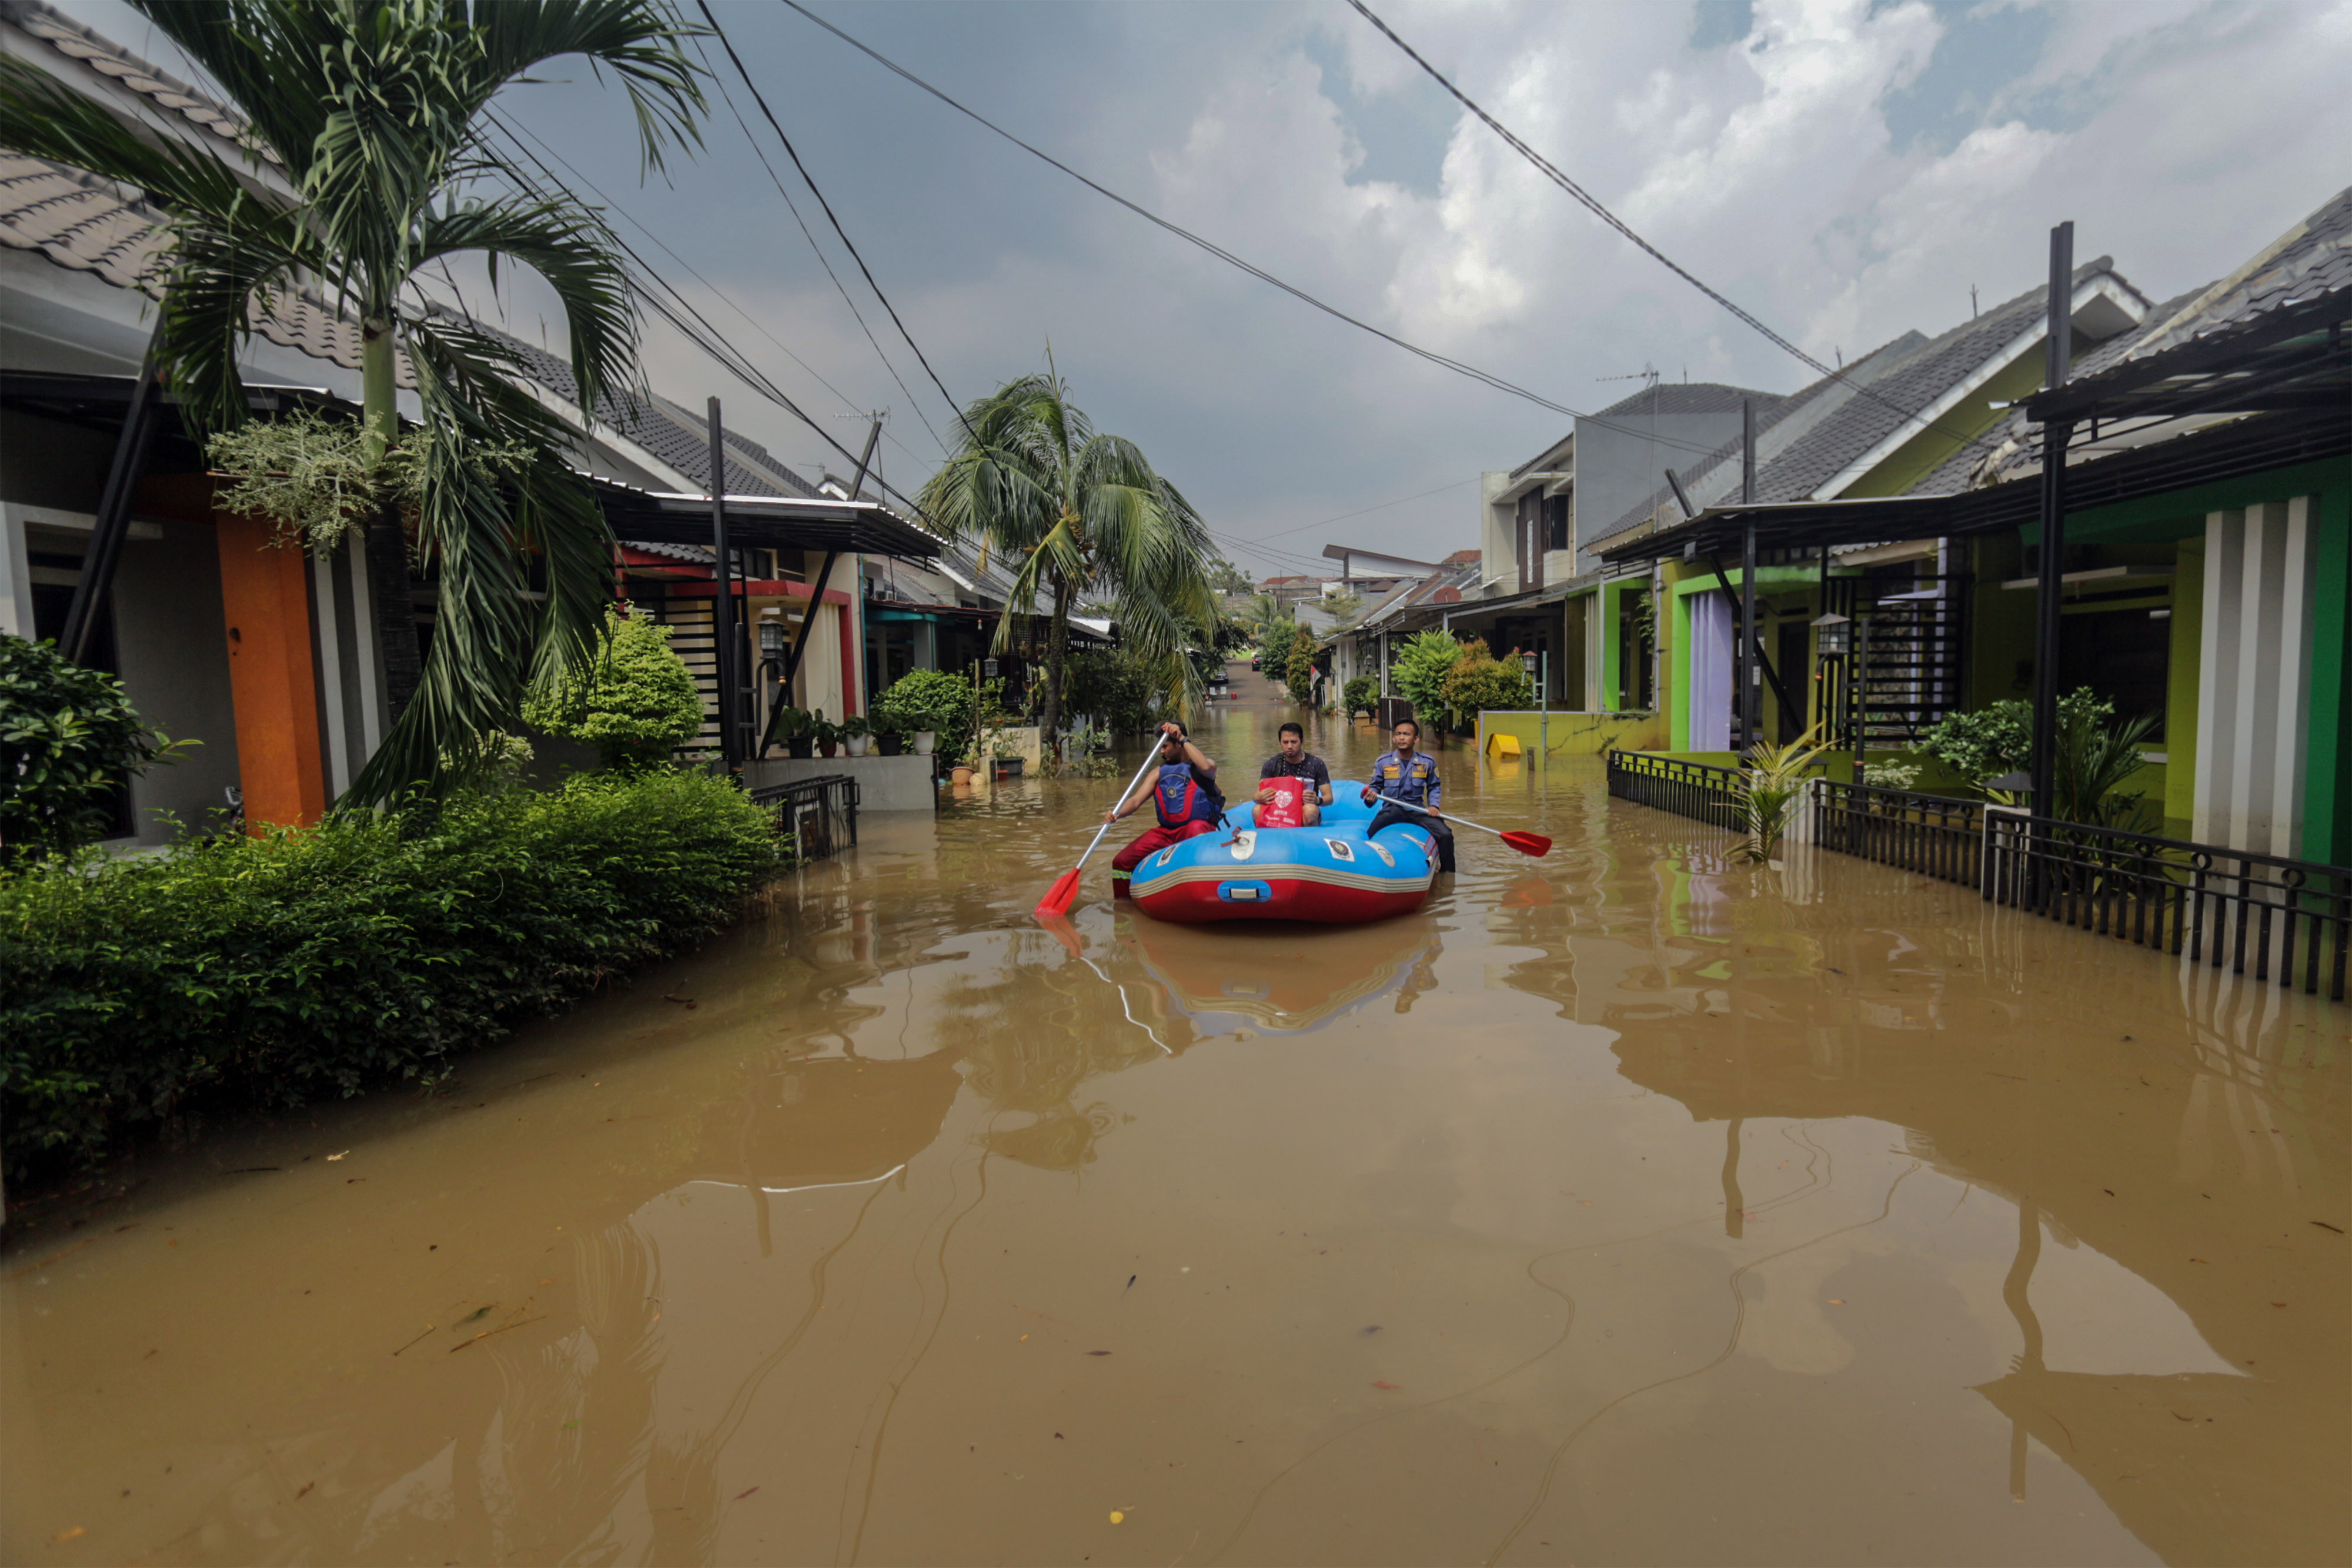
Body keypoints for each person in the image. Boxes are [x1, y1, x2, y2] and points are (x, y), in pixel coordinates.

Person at [1108, 720, 1224, 897]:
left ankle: (1208, 889)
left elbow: (1207, 766)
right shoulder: (1158, 773)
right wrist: (1116, 813)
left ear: (1179, 744)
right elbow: (1135, 801)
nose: (1161, 751)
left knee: (1196, 827)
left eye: (1165, 746)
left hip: (1195, 830)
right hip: (1166, 833)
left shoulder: (1202, 768)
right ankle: (1124, 907)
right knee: (1121, 861)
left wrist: (1183, 737)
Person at [1359, 716, 1455, 873]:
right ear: (1394, 737)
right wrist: (1371, 797)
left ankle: (1448, 875)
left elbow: (1434, 787)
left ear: (1416, 739)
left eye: (1407, 734)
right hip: (1391, 809)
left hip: (1417, 809)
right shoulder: (1383, 762)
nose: (1402, 738)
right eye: (1398, 734)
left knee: (1446, 835)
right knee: (1369, 836)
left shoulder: (1427, 762)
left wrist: (1434, 806)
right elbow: (1375, 787)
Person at [1255, 721, 1331, 827]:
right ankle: (1266, 840)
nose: (1290, 746)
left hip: (1304, 811)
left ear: (1302, 742)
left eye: (1294, 742)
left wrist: (1318, 800)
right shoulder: (1272, 764)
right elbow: (1257, 795)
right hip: (1279, 812)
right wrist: (1259, 798)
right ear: (1280, 743)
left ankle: (1308, 839)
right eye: (1285, 742)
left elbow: (1329, 798)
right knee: (1256, 810)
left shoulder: (1316, 764)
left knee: (1310, 810)